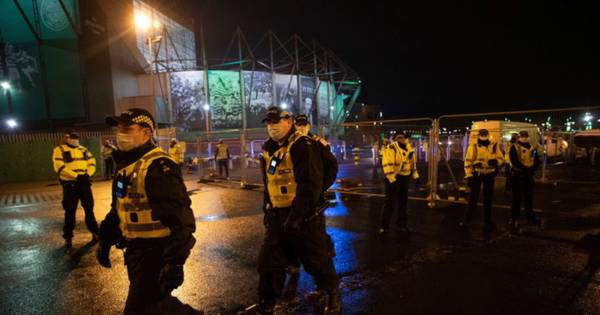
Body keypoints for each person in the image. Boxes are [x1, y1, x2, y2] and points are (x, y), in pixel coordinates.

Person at [96, 108, 200, 314]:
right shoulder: (125, 166)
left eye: (127, 128)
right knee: (155, 306)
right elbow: (118, 209)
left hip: (157, 253)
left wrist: (175, 262)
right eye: (119, 128)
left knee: (142, 309)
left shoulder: (158, 167)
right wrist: (105, 239)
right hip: (136, 252)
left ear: (146, 133)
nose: (121, 133)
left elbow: (181, 220)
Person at [253, 107, 341, 314]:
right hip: (277, 214)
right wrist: (267, 208)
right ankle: (267, 303)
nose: (271, 126)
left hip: (303, 215)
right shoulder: (270, 150)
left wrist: (298, 215)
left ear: (288, 121)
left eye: (276, 121)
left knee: (315, 258)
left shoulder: (303, 145)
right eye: (268, 122)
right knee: (269, 262)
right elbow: (270, 182)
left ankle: (331, 292)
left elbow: (310, 183)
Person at [52, 131, 99, 250]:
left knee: (89, 209)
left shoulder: (84, 149)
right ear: (66, 138)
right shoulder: (59, 149)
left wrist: (87, 174)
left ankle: (95, 232)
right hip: (70, 185)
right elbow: (59, 167)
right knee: (70, 211)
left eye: (76, 137)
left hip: (84, 184)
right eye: (71, 137)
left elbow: (92, 162)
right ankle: (68, 237)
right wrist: (76, 176)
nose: (74, 138)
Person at [461, 129, 504, 229]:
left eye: (485, 134)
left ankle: (487, 221)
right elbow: (468, 161)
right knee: (473, 199)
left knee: (488, 199)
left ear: (488, 135)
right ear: (479, 135)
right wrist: (469, 176)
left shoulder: (494, 145)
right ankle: (466, 221)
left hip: (490, 174)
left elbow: (501, 158)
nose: (484, 136)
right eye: (482, 134)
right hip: (477, 174)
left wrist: (496, 162)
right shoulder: (474, 146)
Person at [379, 132, 419, 233]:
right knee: (389, 204)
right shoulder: (391, 148)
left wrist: (416, 176)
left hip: (404, 179)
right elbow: (387, 164)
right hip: (393, 178)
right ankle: (384, 226)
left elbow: (412, 164)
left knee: (403, 204)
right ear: (394, 139)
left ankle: (402, 225)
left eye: (403, 137)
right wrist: (392, 179)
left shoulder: (409, 149)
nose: (401, 139)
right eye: (398, 137)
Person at [509, 130, 542, 228]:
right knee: (517, 199)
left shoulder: (532, 148)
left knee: (529, 199)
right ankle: (514, 219)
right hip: (518, 176)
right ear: (519, 137)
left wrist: (532, 169)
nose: (524, 137)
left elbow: (536, 160)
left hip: (528, 176)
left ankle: (531, 219)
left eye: (526, 136)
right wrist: (526, 169)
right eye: (522, 136)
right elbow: (514, 161)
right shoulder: (514, 147)